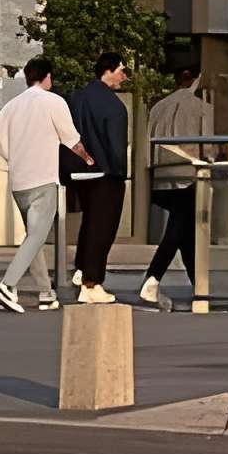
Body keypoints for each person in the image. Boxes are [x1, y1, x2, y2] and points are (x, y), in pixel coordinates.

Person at [0, 58, 84, 313]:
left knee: (34, 238)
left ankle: (46, 292)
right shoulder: (54, 102)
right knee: (36, 237)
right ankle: (7, 285)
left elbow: (1, 145)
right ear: (47, 76)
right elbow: (70, 139)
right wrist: (88, 158)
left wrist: (18, 160)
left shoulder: (10, 107)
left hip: (19, 181)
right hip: (44, 178)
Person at [140, 64, 211, 306]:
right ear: (194, 79)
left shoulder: (158, 107)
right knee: (179, 228)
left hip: (159, 177)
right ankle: (152, 278)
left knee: (184, 230)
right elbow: (208, 148)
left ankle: (199, 287)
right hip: (189, 176)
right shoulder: (202, 109)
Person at [65, 53, 132, 303]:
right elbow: (116, 146)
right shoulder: (114, 106)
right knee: (103, 227)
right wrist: (121, 172)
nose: (124, 77)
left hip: (81, 171)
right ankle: (91, 283)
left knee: (90, 223)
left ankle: (82, 267)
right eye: (122, 71)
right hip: (107, 172)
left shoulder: (77, 98)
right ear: (109, 70)